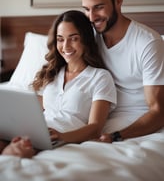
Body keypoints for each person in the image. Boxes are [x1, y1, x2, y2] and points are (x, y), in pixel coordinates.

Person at [0, 10, 116, 157]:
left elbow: (95, 128)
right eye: (60, 39)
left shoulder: (100, 77)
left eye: (73, 38)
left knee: (14, 154)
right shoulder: (52, 73)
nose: (66, 46)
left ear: (85, 40)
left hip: (61, 138)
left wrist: (61, 136)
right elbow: (32, 109)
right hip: (38, 134)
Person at [75, 0, 164, 142]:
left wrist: (116, 136)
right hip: (97, 119)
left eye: (99, 7)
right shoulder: (90, 39)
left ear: (118, 0)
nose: (92, 17)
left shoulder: (147, 43)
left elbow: (159, 112)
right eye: (87, 9)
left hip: (137, 124)